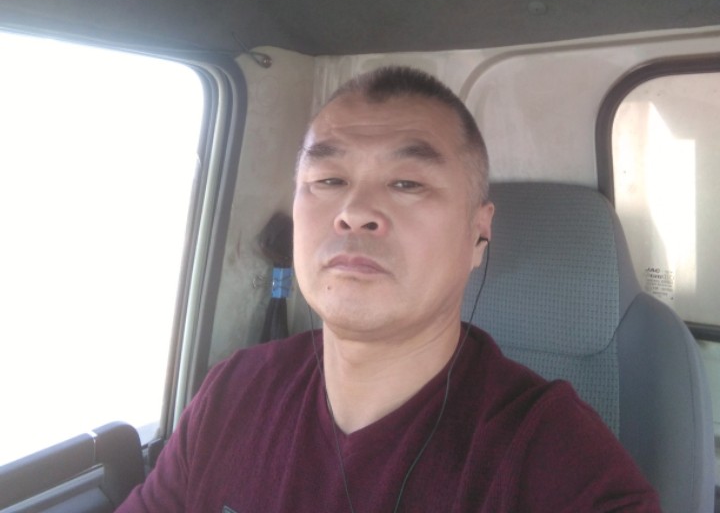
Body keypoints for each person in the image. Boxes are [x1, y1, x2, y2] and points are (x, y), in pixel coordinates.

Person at [117, 66, 661, 512]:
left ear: (478, 233)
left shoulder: (554, 459)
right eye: (329, 181)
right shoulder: (233, 392)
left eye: (407, 183)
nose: (354, 211)